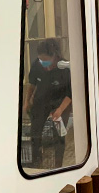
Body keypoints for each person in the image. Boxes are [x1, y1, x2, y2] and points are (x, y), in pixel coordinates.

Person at [23, 39, 72, 169]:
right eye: (41, 61)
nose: (44, 64)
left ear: (55, 57)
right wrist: (27, 101)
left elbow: (70, 94)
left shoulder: (65, 68)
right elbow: (32, 84)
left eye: (46, 61)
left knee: (59, 136)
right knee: (35, 133)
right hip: (41, 102)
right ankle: (36, 162)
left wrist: (60, 110)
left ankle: (58, 165)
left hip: (61, 103)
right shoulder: (37, 65)